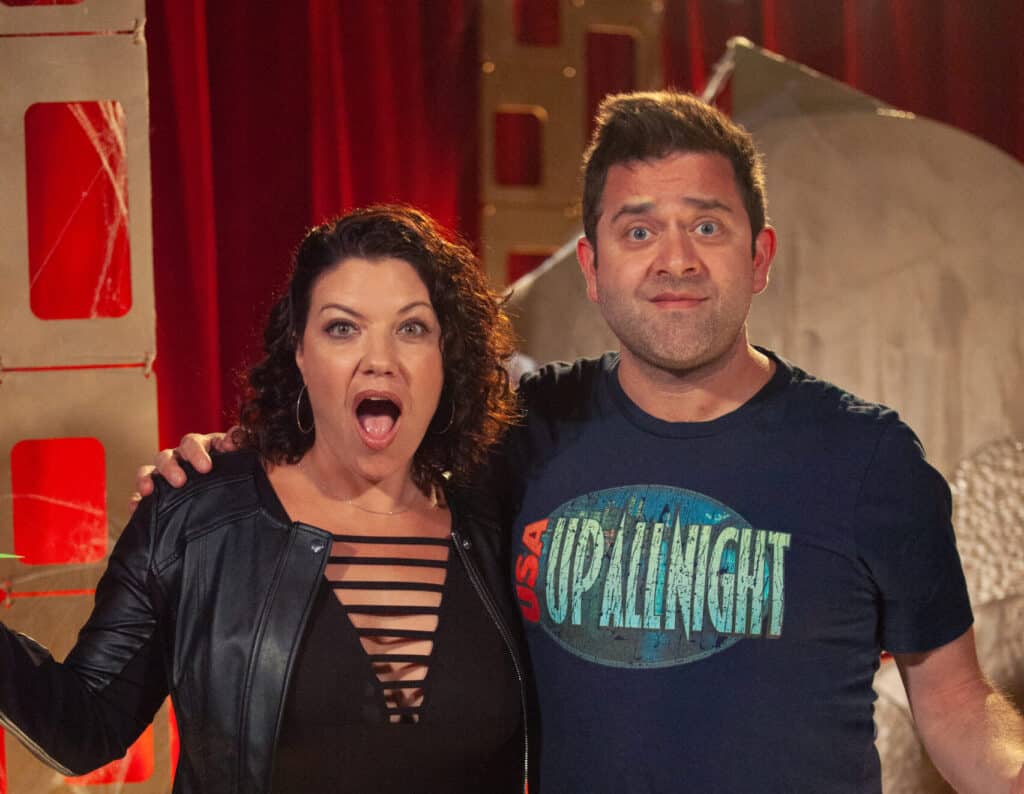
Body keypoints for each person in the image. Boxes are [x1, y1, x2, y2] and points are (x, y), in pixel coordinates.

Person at [142, 92, 1024, 793]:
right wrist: (234, 466)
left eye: (707, 225)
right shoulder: (517, 432)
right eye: (638, 230)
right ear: (593, 270)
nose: (675, 260)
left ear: (760, 257)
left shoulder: (869, 460)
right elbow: (353, 452)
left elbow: (956, 707)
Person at [1, 205, 530, 793]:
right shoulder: (199, 518)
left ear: (445, 356)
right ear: (300, 351)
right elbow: (81, 726)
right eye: (342, 328)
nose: (380, 361)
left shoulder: (499, 523)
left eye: (412, 329)